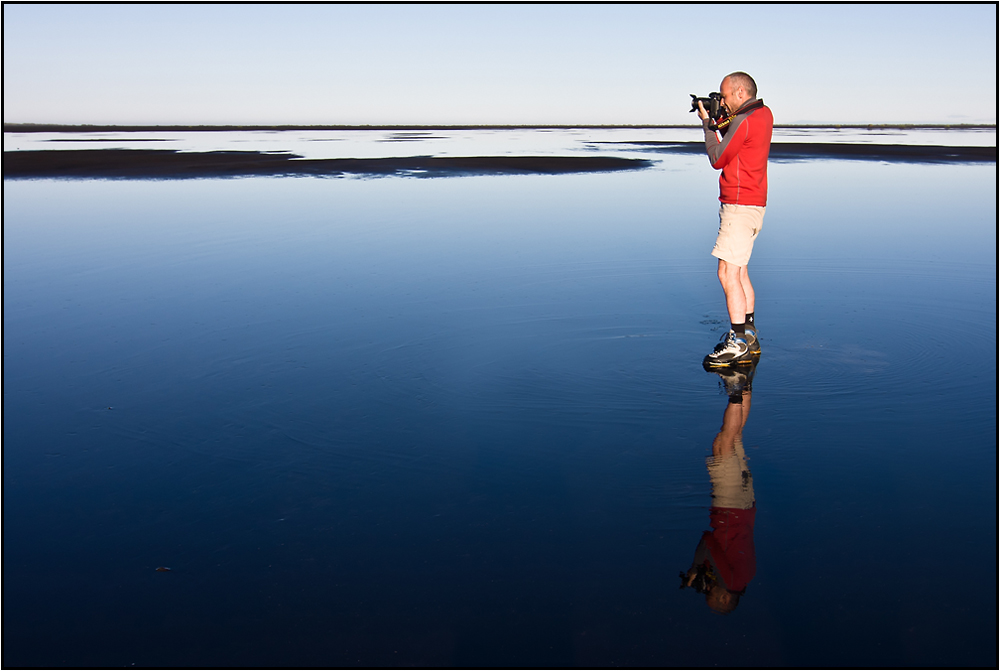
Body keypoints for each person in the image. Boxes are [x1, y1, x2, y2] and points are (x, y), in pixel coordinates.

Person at [696, 72, 773, 366]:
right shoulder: (763, 113)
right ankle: (749, 334)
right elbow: (737, 135)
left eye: (725, 96)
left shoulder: (744, 120)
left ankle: (738, 341)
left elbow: (718, 157)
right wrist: (720, 119)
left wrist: (707, 125)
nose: (723, 102)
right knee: (739, 271)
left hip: (738, 207)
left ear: (740, 92)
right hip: (755, 204)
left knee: (726, 274)